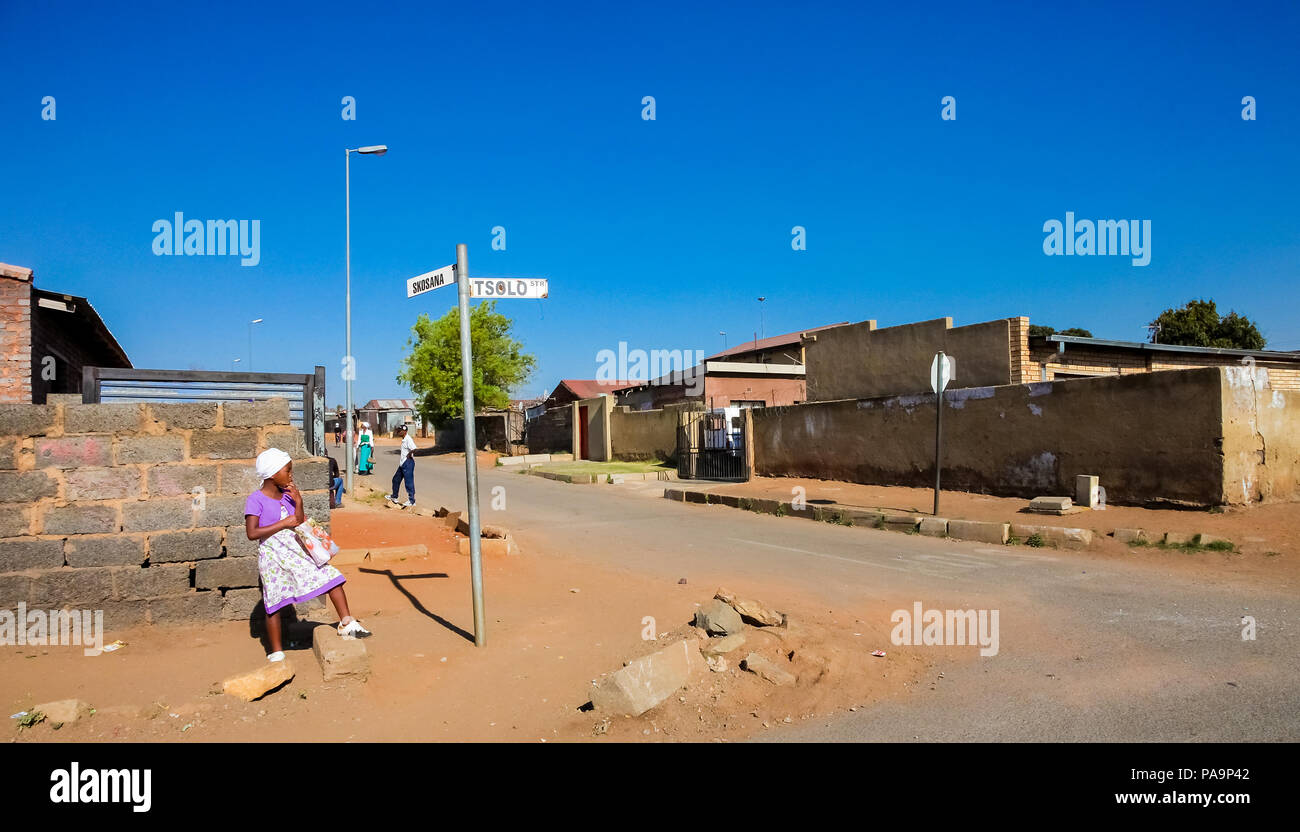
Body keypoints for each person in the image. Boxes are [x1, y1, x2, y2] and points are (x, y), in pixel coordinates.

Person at [245, 448, 371, 662]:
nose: (291, 474)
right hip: (272, 555)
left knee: (331, 576)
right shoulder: (255, 499)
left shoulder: (288, 496)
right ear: (273, 473)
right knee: (274, 602)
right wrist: (283, 523)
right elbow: (252, 533)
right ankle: (276, 651)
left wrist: (299, 501)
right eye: (288, 470)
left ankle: (346, 622)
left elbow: (300, 521)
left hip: (295, 551)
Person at [387, 424, 417, 508]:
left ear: (405, 431)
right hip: (402, 464)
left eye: (400, 431)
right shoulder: (404, 439)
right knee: (395, 479)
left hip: (408, 463)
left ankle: (412, 501)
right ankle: (394, 496)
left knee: (409, 482)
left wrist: (409, 455)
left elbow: (414, 448)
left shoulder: (408, 439)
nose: (398, 432)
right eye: (398, 430)